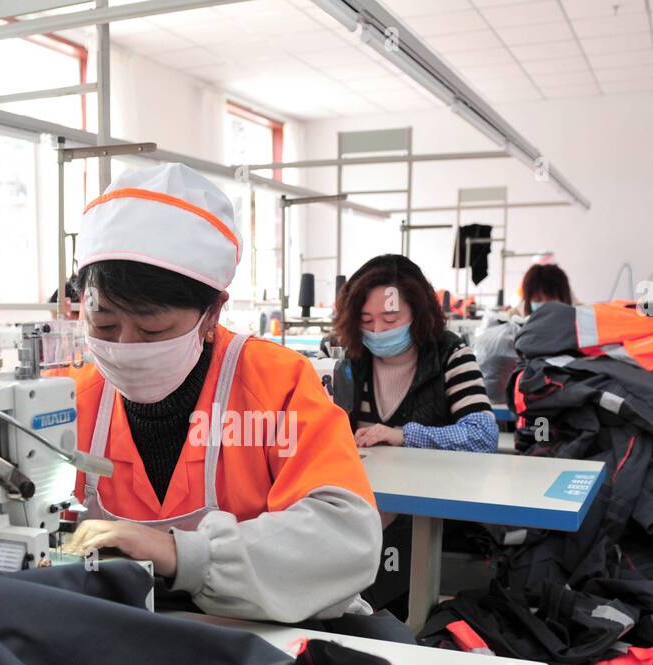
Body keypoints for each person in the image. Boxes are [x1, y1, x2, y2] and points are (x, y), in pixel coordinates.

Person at [59, 162, 388, 631]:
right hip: (123, 635)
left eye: (153, 329)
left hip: (268, 640)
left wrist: (181, 553)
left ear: (212, 312)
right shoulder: (68, 400)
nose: (126, 348)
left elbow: (346, 538)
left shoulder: (277, 384)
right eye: (105, 324)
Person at [332, 254, 496, 454]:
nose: (377, 330)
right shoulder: (338, 353)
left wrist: (402, 436)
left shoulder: (451, 356)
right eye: (366, 321)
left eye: (391, 320)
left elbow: (483, 436)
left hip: (430, 482)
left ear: (418, 313)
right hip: (352, 481)